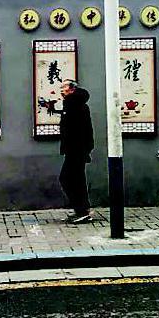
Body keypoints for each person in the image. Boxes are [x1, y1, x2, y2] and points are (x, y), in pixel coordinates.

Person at [58, 79, 94, 223]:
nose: (61, 90)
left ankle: (82, 210)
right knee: (75, 179)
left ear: (72, 89)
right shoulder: (73, 104)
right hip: (75, 149)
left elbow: (79, 130)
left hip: (76, 149)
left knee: (68, 179)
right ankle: (82, 210)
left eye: (64, 87)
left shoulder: (75, 105)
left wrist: (84, 149)